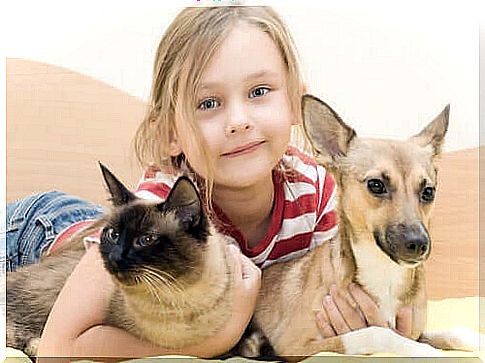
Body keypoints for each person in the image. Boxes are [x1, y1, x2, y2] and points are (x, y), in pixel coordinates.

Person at [4, 5, 413, 360]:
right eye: (208, 103)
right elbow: (61, 345)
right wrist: (218, 339)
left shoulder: (316, 191)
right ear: (170, 134)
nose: (238, 121)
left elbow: (332, 300)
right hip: (37, 233)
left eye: (259, 91)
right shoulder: (161, 203)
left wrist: (391, 321)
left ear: (295, 104)